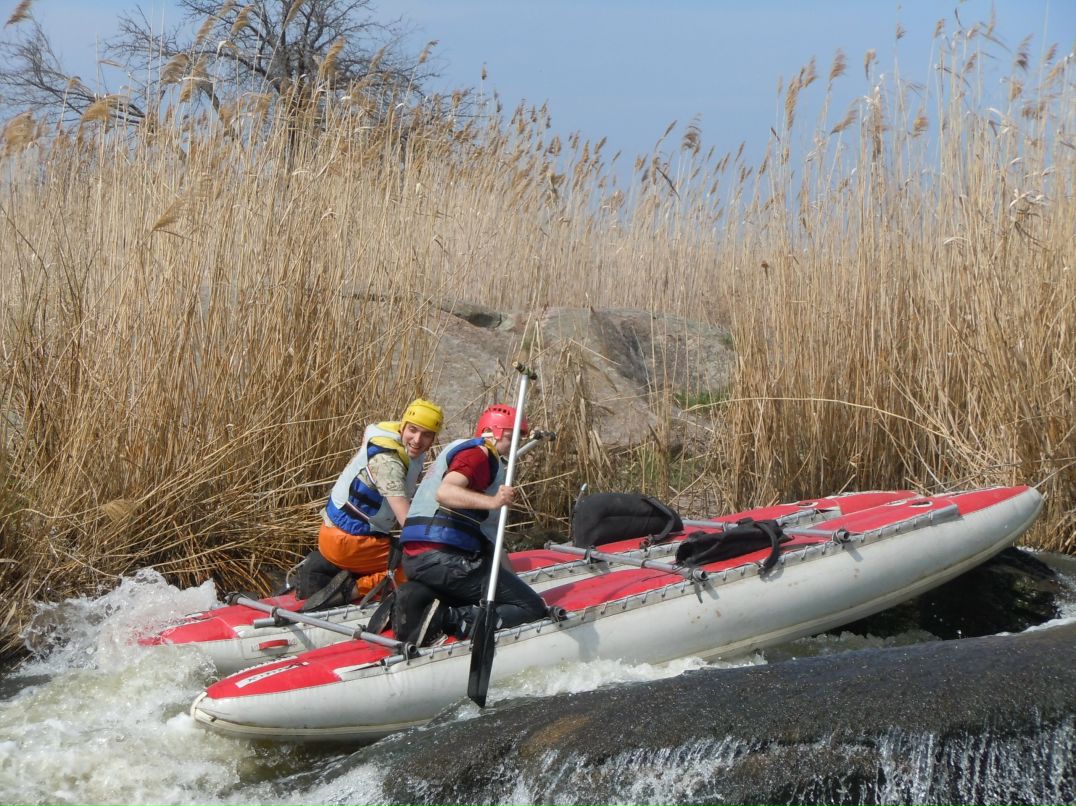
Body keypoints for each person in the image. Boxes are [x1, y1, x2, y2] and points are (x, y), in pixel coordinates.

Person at [395, 403, 550, 644]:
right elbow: (445, 493)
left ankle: (420, 606)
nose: (515, 445)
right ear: (492, 431)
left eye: (519, 439)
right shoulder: (479, 455)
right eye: (510, 438)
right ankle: (447, 619)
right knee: (529, 606)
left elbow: (490, 538)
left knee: (504, 591)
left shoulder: (462, 449)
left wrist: (512, 581)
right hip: (443, 559)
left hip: (417, 559)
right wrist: (494, 501)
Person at [298, 398, 444, 611]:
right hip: (349, 541)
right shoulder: (388, 462)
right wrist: (440, 548)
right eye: (413, 430)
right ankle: (350, 591)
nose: (417, 440)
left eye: (427, 434)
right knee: (421, 564)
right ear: (403, 426)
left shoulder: (395, 441)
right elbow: (407, 522)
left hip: (333, 533)